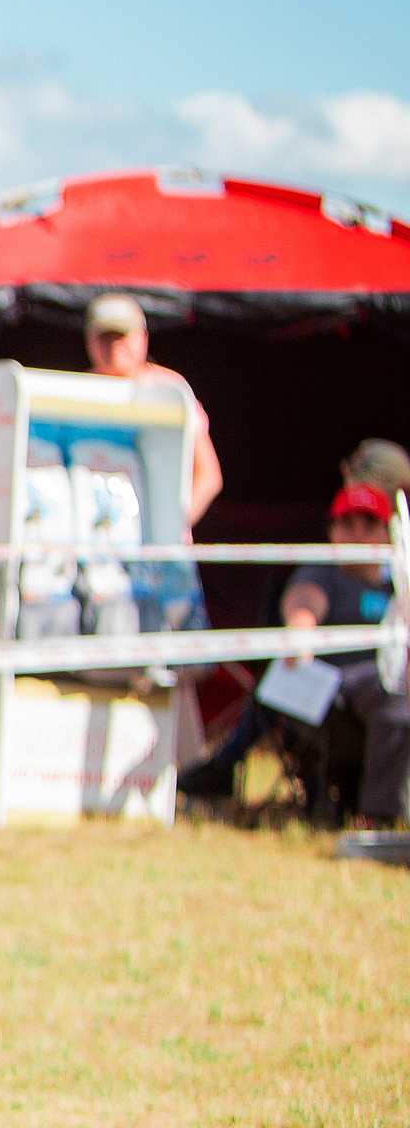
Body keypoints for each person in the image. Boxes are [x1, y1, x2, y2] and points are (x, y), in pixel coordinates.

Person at [183, 484, 402, 820]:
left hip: (394, 687)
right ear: (332, 531)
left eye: (369, 523)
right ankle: (378, 818)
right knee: (390, 692)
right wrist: (300, 633)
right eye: (348, 523)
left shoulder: (399, 586)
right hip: (338, 691)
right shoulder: (324, 573)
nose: (358, 532)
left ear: (388, 534)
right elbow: (303, 605)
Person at [85, 293, 222, 532]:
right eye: (106, 336)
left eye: (123, 334)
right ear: (90, 341)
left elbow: (209, 475)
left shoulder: (170, 389)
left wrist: (169, 526)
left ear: (143, 338)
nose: (115, 343)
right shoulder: (74, 392)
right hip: (101, 542)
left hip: (159, 550)